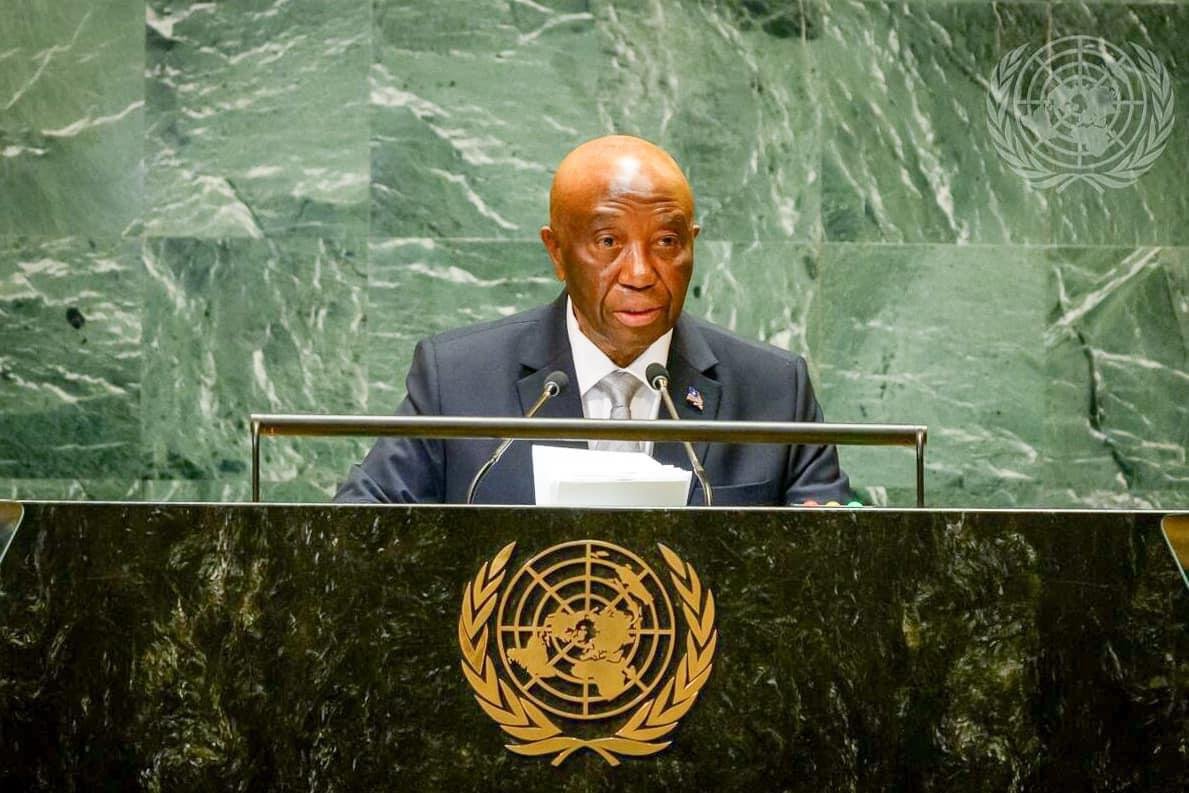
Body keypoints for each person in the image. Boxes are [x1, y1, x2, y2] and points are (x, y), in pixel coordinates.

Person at [335, 135, 853, 505]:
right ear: (557, 252)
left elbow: (835, 560)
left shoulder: (774, 391)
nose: (640, 273)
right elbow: (360, 527)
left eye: (666, 242)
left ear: (692, 244)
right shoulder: (456, 380)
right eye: (608, 242)